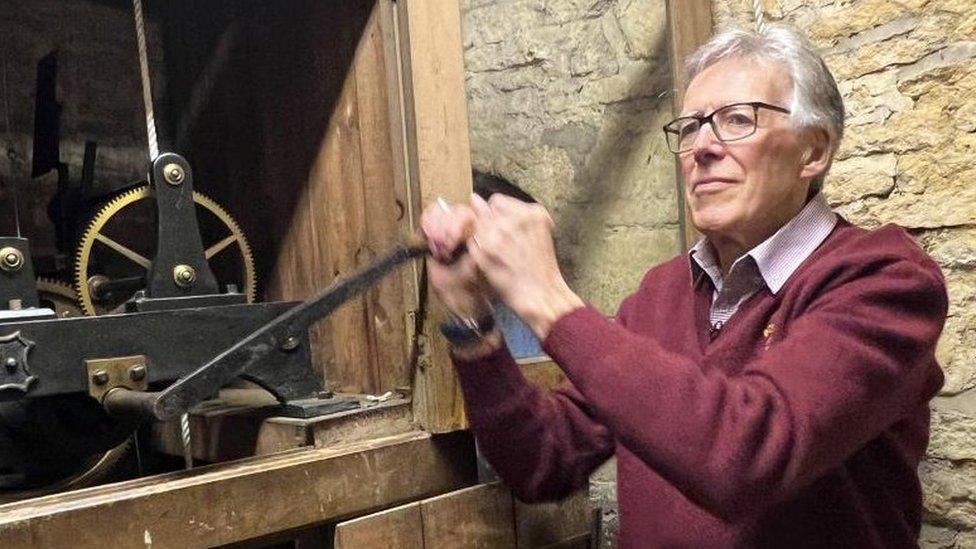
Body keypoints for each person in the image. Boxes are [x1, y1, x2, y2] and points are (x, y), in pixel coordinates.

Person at [421, 23, 946, 548]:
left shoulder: (884, 280)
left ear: (813, 151)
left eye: (737, 120)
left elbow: (749, 456)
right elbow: (543, 460)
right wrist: (473, 321)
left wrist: (549, 301)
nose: (703, 148)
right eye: (692, 127)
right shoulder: (661, 292)